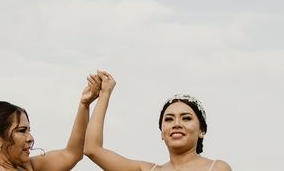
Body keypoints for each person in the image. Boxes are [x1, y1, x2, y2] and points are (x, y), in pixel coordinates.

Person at [84, 71, 231, 171]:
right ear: (162, 132)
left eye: (186, 118)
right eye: (169, 119)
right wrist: (104, 93)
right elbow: (92, 149)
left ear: (202, 130)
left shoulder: (217, 168)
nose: (176, 124)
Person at [0, 74, 101, 171]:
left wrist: (84, 104)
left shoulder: (28, 166)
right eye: (21, 130)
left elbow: (72, 154)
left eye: (29, 130)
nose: (30, 138)